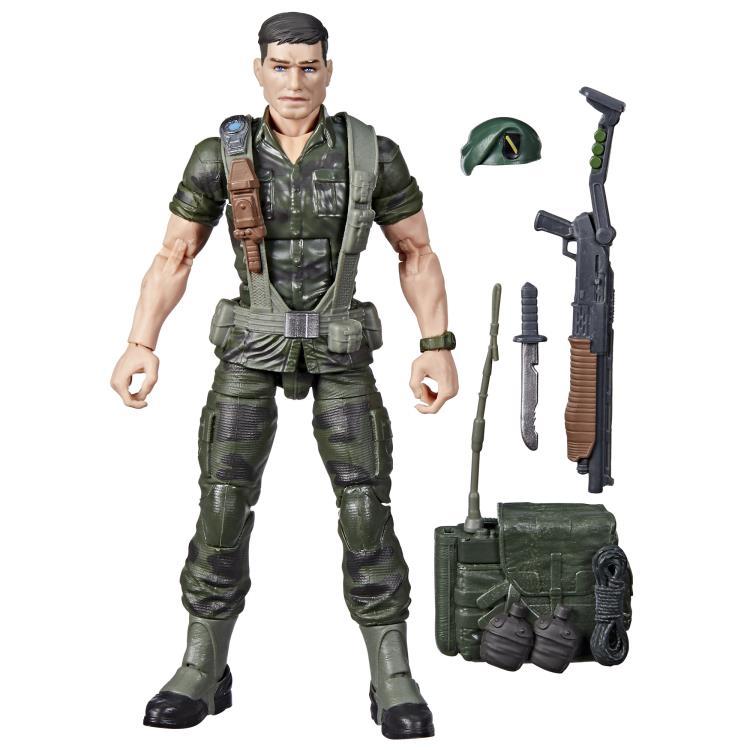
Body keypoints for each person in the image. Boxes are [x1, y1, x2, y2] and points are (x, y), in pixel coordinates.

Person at [110, 11, 457, 740]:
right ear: (258, 69)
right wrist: (142, 342)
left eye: (308, 66)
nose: (294, 81)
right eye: (280, 66)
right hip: (252, 343)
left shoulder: (371, 153)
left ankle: (392, 671)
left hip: (339, 347)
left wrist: (436, 343)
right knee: (222, 503)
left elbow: (416, 251)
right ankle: (202, 664)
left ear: (328, 71)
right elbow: (175, 253)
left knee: (365, 507)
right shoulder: (221, 154)